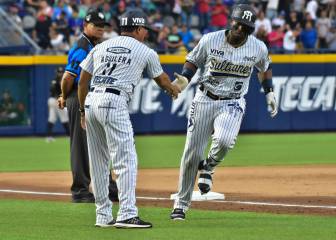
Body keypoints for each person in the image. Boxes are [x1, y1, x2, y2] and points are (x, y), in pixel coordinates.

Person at [170, 4, 278, 220]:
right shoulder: (211, 39)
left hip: (233, 102)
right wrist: (184, 78)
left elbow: (265, 67)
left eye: (247, 28)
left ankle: (209, 166)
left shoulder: (257, 47)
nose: (241, 30)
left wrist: (269, 92)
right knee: (191, 154)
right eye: (239, 25)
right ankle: (181, 205)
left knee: (226, 141)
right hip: (204, 99)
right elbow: (193, 60)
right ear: (231, 21)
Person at [77, 9, 181, 228]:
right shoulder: (145, 51)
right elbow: (162, 81)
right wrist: (175, 88)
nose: (146, 33)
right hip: (113, 101)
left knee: (98, 162)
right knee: (126, 160)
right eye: (144, 29)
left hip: (91, 101)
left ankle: (103, 215)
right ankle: (127, 213)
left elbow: (82, 81)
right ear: (137, 29)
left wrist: (82, 111)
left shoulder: (101, 46)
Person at [58, 10, 118, 203]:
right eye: (96, 25)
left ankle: (108, 187)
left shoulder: (94, 44)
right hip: (78, 97)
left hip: (93, 97)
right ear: (85, 25)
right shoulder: (83, 47)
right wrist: (64, 95)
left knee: (100, 143)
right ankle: (80, 190)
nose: (100, 28)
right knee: (81, 146)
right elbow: (69, 77)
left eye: (103, 25)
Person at [46, 67, 69, 143]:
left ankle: (49, 136)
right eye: (59, 72)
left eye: (61, 72)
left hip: (52, 100)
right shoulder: (57, 81)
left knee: (52, 118)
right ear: (57, 73)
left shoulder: (56, 80)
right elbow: (54, 91)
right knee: (64, 118)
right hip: (56, 100)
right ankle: (69, 136)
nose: (61, 73)